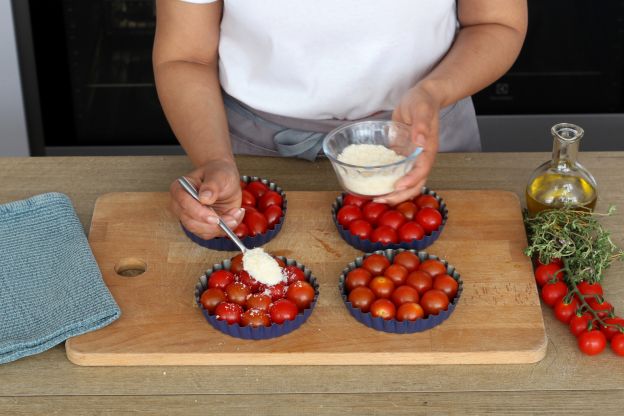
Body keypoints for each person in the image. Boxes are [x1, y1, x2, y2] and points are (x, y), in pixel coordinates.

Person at [153, 0, 528, 240]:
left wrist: (433, 92)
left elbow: (496, 23)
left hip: (421, 136)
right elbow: (186, 56)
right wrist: (214, 159)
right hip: (252, 151)